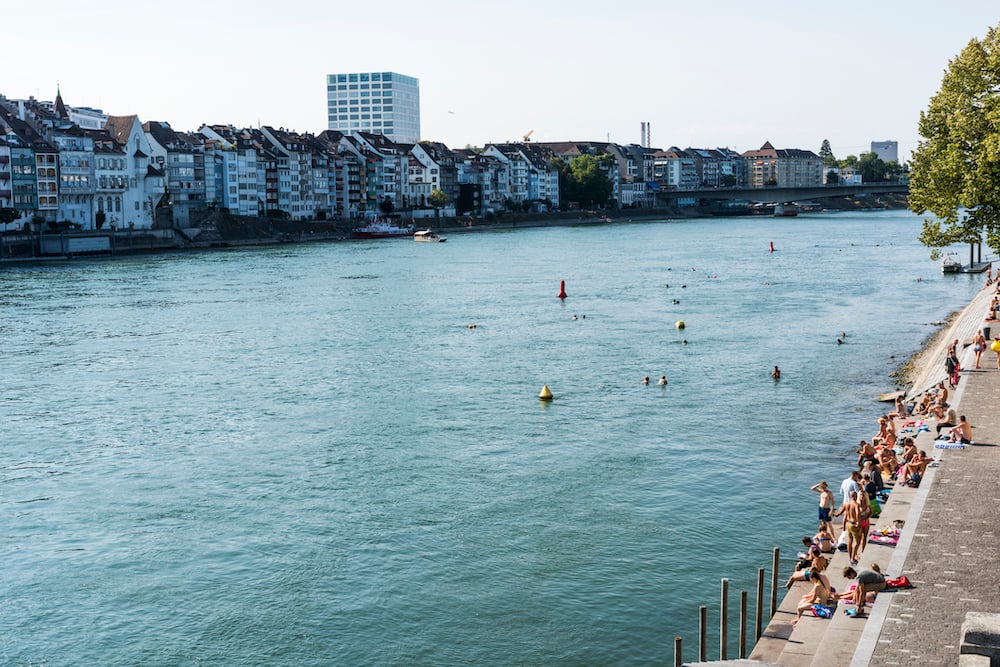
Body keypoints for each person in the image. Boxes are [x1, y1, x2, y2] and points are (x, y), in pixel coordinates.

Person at [833, 490, 863, 565]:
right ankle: (853, 558)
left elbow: (839, 513)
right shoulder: (856, 504)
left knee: (850, 541)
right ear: (855, 496)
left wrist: (834, 514)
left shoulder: (846, 504)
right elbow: (857, 513)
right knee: (858, 542)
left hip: (848, 524)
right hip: (853, 524)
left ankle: (850, 558)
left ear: (850, 496)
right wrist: (858, 522)